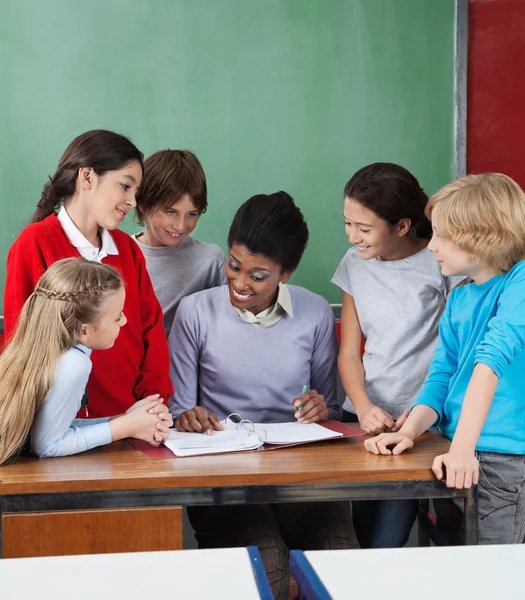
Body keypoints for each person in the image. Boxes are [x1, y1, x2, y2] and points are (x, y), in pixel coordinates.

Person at [169, 191, 356, 600]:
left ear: (285, 274)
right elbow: (179, 406)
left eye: (258, 275)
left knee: (341, 561)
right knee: (267, 562)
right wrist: (188, 415)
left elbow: (332, 407)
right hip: (227, 479)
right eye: (234, 266)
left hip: (302, 478)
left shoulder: (314, 312)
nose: (239, 282)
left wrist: (321, 406)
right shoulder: (195, 312)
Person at [365, 173, 525, 545]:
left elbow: (491, 363)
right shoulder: (459, 298)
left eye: (441, 235)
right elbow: (441, 377)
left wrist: (464, 450)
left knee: (489, 580)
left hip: (497, 460)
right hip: (451, 450)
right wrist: (407, 432)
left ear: (480, 235)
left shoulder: (520, 282)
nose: (431, 245)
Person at [332, 163, 466, 548]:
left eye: (364, 228)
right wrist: (363, 405)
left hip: (419, 423)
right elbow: (349, 352)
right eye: (347, 223)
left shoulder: (441, 262)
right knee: (361, 532)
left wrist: (419, 415)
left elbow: (453, 352)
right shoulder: (353, 263)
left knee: (388, 538)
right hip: (364, 421)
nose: (353, 236)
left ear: (402, 226)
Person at [4, 129, 172, 417]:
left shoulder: (128, 250)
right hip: (63, 429)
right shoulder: (34, 244)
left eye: (136, 191)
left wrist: (152, 407)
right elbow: (19, 343)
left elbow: (151, 332)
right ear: (87, 177)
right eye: (125, 186)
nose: (132, 202)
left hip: (131, 423)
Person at [0, 258, 172, 465]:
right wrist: (126, 427)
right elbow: (47, 445)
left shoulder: (51, 352)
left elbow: (51, 429)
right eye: (117, 317)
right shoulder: (73, 364)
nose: (125, 321)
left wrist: (124, 420)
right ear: (84, 330)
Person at [133, 149, 225, 335]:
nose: (180, 226)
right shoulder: (120, 255)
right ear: (143, 204)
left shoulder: (210, 261)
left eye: (191, 214)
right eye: (170, 212)